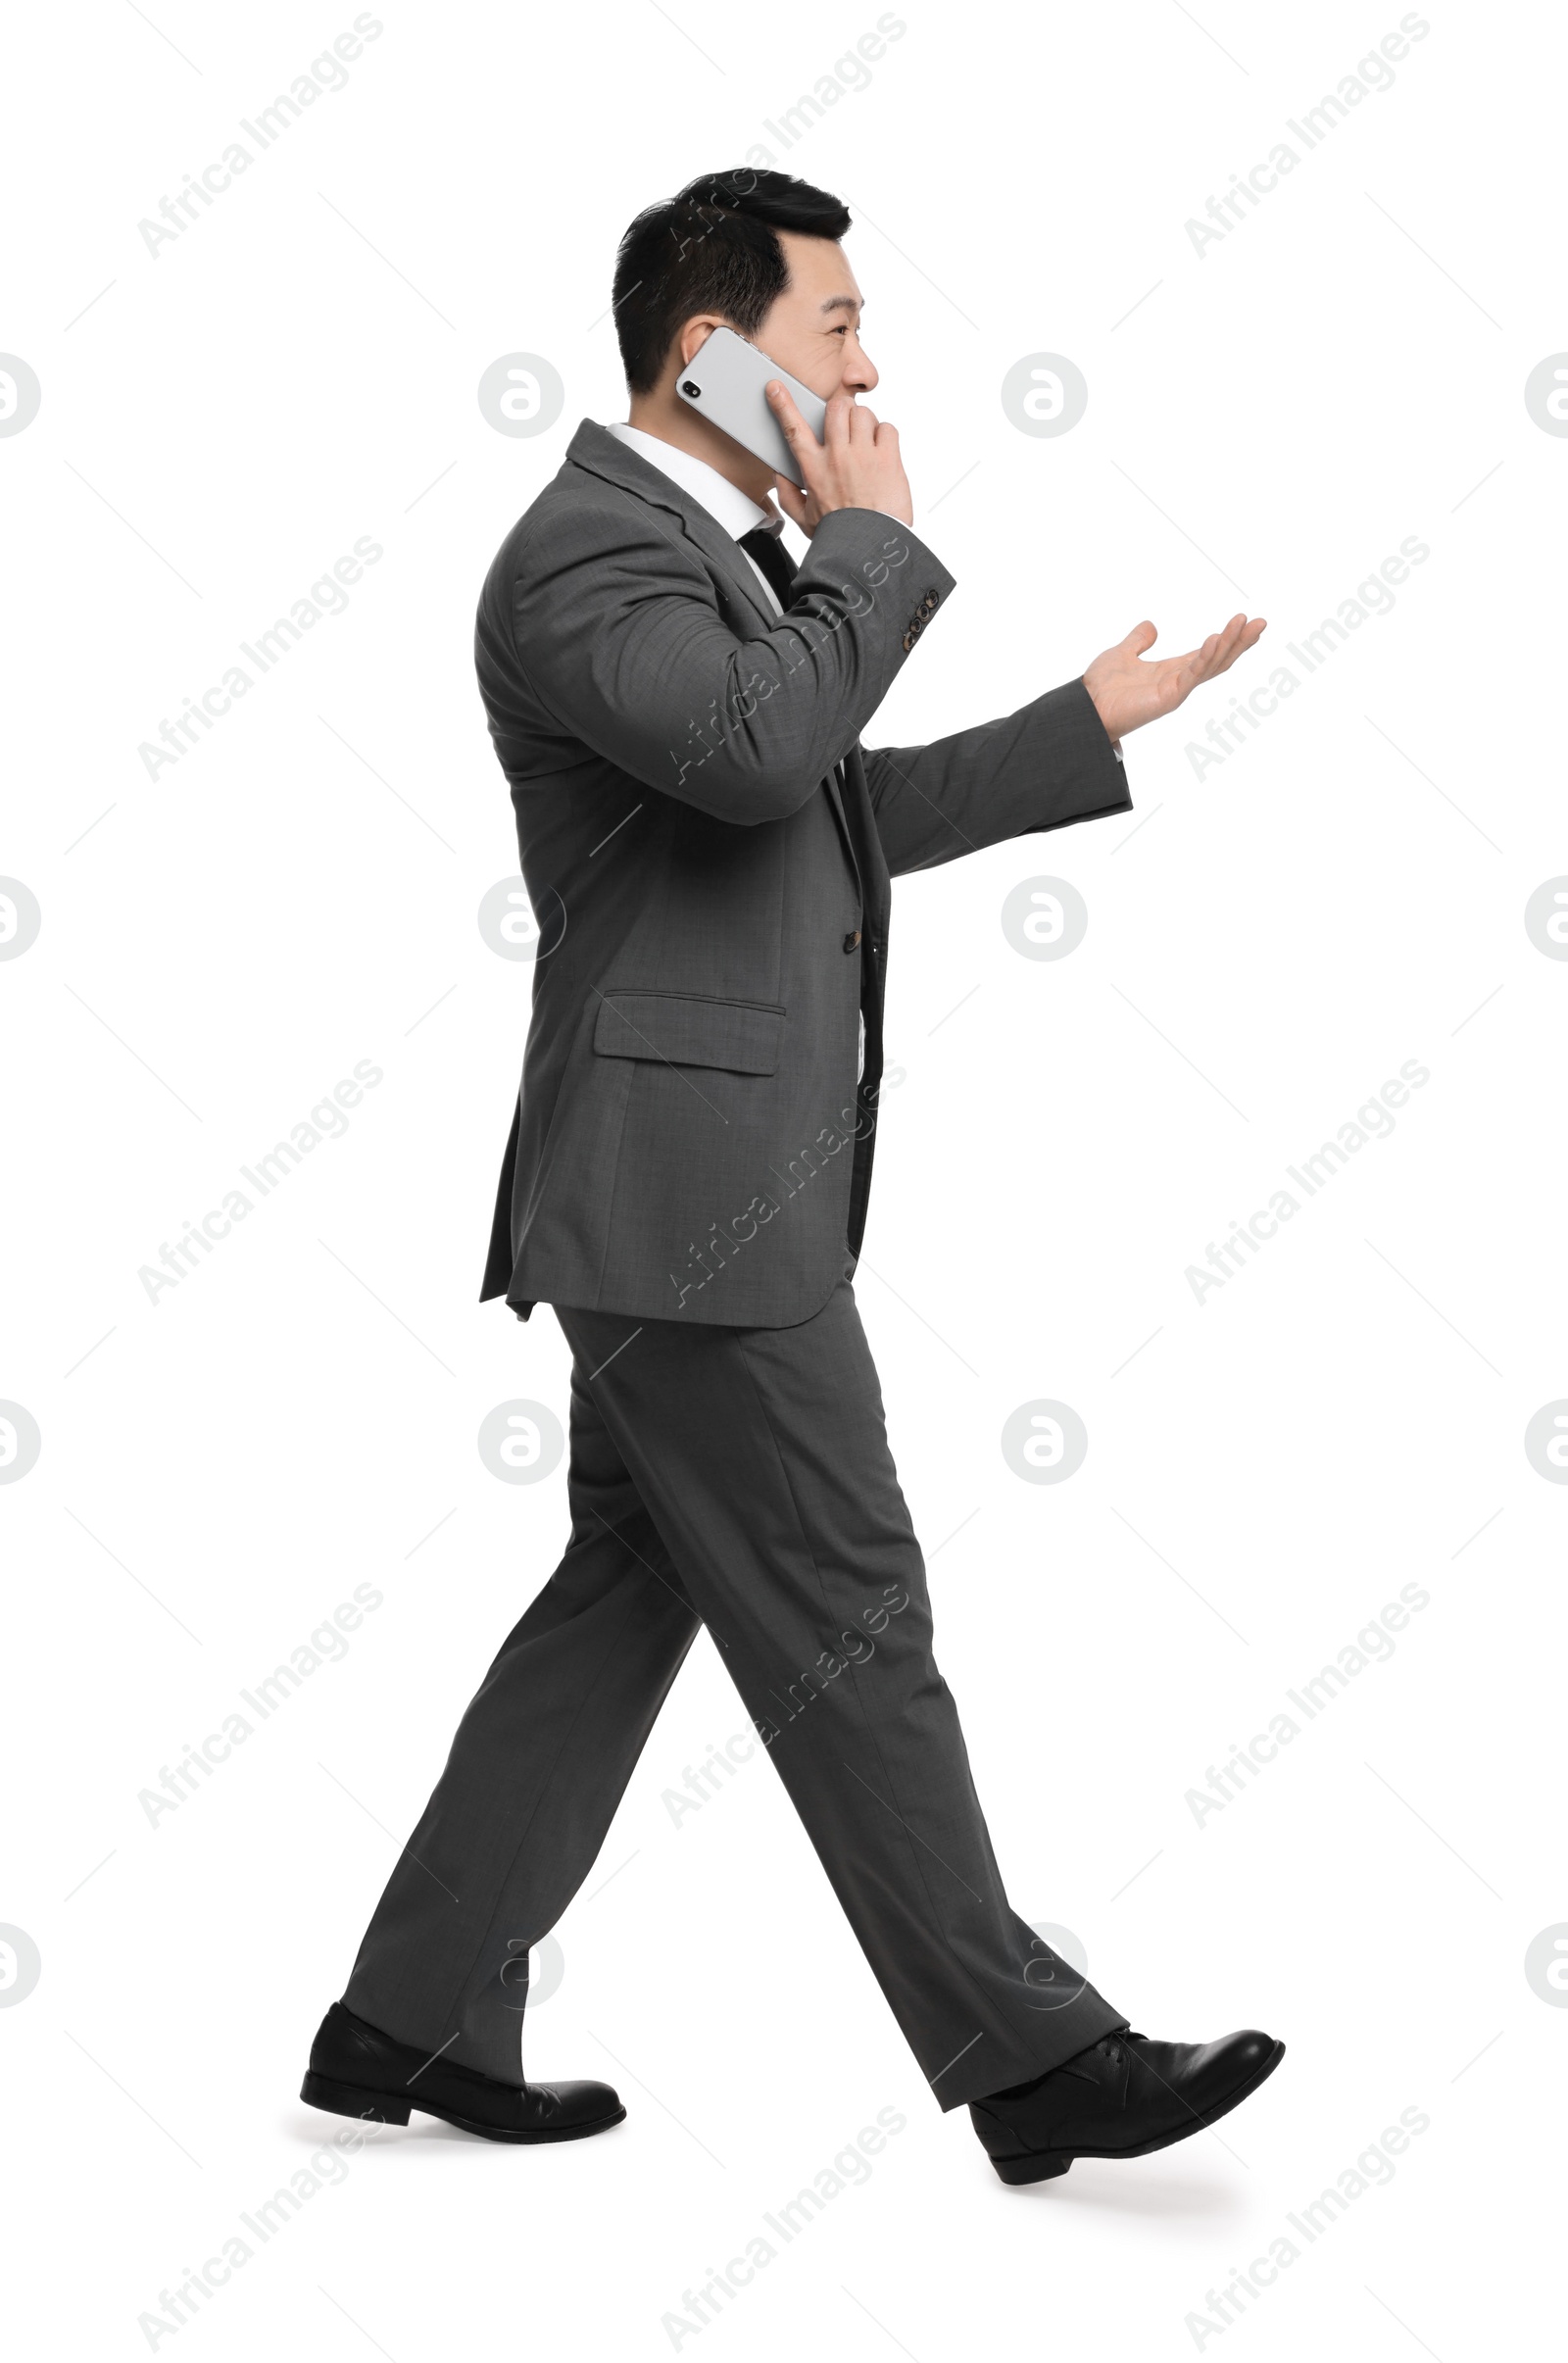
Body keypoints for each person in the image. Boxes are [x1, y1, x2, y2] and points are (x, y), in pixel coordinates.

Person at [302, 169, 1282, 2185]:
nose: (867, 368)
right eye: (836, 331)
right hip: (680, 1211)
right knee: (848, 1602)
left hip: (685, 1195)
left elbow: (819, 813)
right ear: (708, 353)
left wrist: (1077, 727)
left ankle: (407, 2015)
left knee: (625, 1587)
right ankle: (1026, 2055)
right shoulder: (585, 559)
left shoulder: (720, 567)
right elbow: (762, 753)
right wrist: (872, 549)